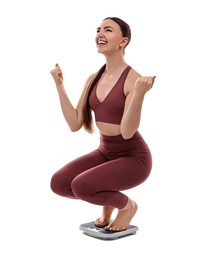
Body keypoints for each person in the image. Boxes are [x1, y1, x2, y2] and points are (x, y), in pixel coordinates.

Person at [50, 17, 155, 232]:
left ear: (123, 41)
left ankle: (126, 206)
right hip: (105, 152)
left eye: (108, 30)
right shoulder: (94, 78)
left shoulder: (133, 79)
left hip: (134, 158)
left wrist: (140, 94)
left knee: (81, 185)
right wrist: (60, 86)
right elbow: (75, 123)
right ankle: (107, 203)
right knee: (59, 183)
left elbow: (127, 132)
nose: (100, 34)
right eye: (98, 30)